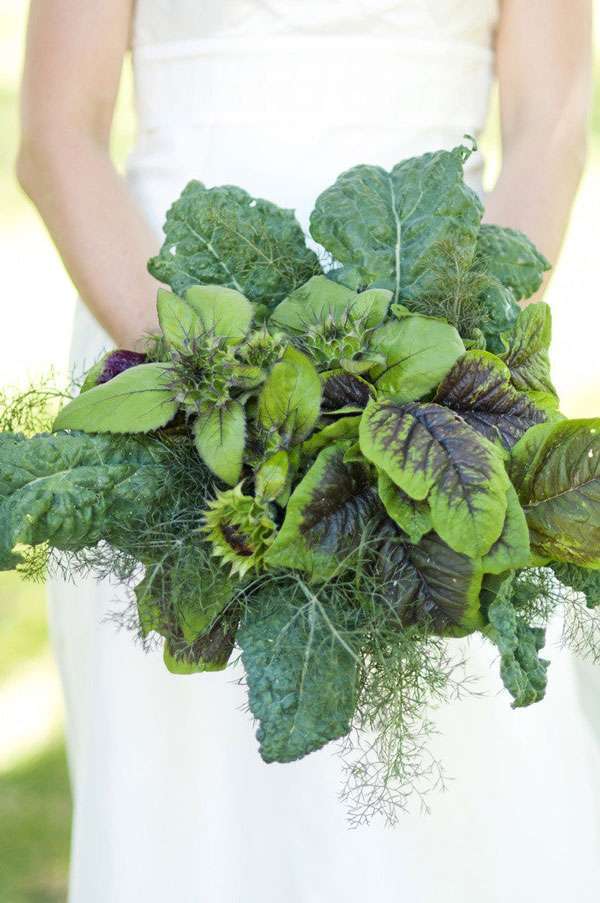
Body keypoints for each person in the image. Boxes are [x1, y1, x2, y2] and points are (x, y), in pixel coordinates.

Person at [17, 2, 598, 901]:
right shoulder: (180, 366)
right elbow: (57, 135)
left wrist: (443, 372)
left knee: (465, 796)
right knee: (190, 806)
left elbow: (551, 119)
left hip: (441, 349)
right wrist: (209, 377)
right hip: (164, 340)